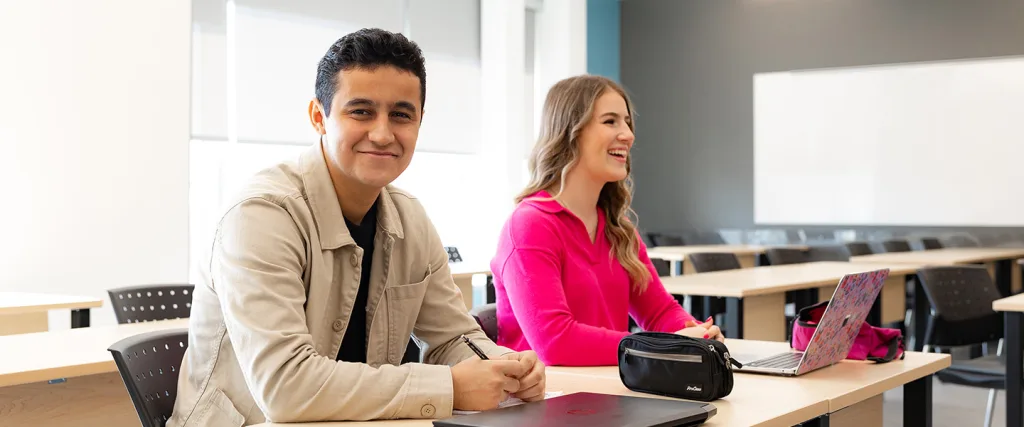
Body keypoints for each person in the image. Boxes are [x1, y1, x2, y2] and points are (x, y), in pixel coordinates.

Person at [168, 28, 544, 426]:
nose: (383, 134)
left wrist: (507, 367)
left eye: (401, 114)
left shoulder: (411, 220)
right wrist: (448, 387)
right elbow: (285, 388)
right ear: (319, 117)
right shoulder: (260, 215)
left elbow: (453, 338)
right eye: (361, 111)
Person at [490, 75, 724, 367]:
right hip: (545, 400)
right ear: (570, 132)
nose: (628, 134)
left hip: (608, 392)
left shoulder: (617, 228)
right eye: (610, 121)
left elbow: (659, 312)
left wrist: (695, 334)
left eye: (627, 122)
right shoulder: (529, 226)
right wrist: (660, 345)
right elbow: (555, 343)